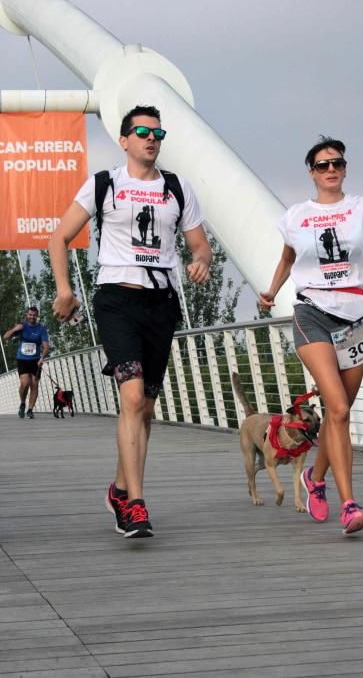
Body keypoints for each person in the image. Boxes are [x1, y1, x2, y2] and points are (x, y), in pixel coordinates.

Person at [49, 104, 212, 539]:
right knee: (133, 397)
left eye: (158, 132)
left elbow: (200, 244)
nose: (151, 138)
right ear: (124, 140)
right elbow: (59, 237)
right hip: (117, 300)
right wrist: (66, 290)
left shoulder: (177, 189)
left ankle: (120, 489)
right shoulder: (105, 184)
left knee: (146, 409)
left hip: (162, 303)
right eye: (142, 131)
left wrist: (200, 261)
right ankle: (135, 505)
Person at [259, 136, 363, 535]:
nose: (331, 169)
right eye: (322, 164)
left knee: (340, 413)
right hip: (312, 313)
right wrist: (271, 290)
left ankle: (314, 479)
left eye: (337, 162)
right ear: (311, 172)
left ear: (345, 168)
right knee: (336, 408)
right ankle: (349, 505)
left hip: (359, 317)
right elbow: (288, 257)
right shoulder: (296, 216)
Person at [3, 306, 49, 419]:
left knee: (35, 384)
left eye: (34, 315)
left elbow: (46, 346)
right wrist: (14, 329)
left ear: (37, 316)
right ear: (27, 315)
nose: (32, 317)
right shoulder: (22, 327)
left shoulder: (41, 329)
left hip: (35, 361)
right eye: (30, 314)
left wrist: (42, 358)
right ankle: (23, 404)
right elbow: (6, 336)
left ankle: (30, 410)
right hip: (22, 359)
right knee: (25, 383)